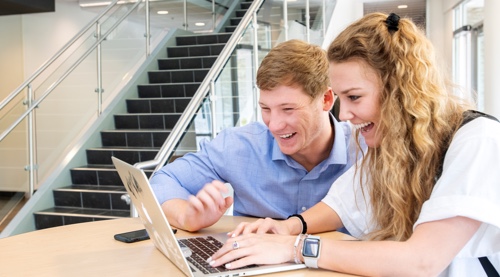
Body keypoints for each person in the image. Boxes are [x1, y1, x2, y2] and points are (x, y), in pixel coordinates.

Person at [208, 13, 500, 276]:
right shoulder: (394, 146)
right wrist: (287, 227)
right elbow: (343, 205)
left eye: (354, 97)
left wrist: (295, 247)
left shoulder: (478, 140)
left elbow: (421, 261)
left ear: (400, 90)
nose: (344, 114)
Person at [149, 39, 360, 232]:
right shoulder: (239, 146)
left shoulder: (367, 150)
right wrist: (186, 216)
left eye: (288, 109)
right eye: (266, 109)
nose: (275, 125)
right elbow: (163, 180)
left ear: (326, 99)